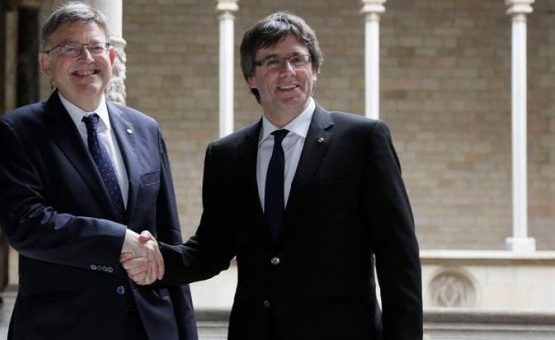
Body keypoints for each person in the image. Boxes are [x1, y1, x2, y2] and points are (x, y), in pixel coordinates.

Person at [123, 11, 423, 340]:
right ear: (251, 77)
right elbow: (210, 250)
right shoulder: (226, 155)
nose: (287, 72)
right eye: (271, 61)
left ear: (315, 69)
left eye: (298, 58)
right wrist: (157, 259)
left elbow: (398, 258)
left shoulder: (363, 140)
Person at [0, 2, 197, 339]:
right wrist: (120, 241)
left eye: (96, 47)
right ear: (47, 64)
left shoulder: (146, 130)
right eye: (69, 48)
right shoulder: (18, 131)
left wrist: (186, 332)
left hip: (149, 326)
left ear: (112, 58)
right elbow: (26, 224)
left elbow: (168, 239)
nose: (86, 59)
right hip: (63, 327)